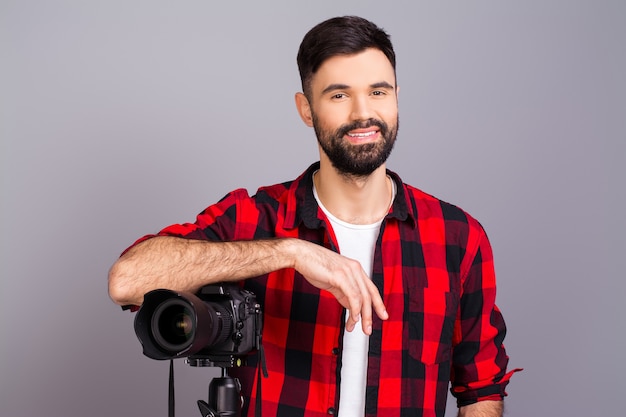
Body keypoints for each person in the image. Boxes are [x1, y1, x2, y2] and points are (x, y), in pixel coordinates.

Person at [109, 15, 518, 417]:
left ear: (396, 97)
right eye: (339, 95)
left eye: (379, 92)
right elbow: (127, 281)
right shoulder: (255, 220)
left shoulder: (457, 237)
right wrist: (290, 252)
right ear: (306, 110)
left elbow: (480, 389)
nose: (363, 113)